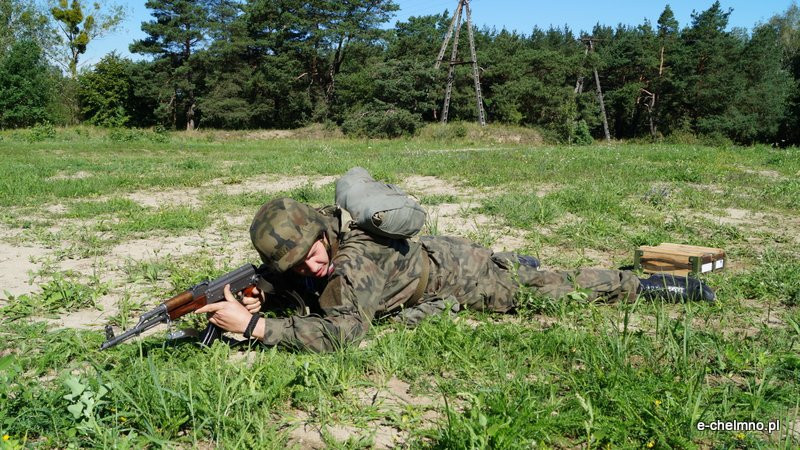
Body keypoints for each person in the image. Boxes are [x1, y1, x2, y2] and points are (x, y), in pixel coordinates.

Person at [196, 197, 715, 352]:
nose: (312, 266)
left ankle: (649, 283)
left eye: (312, 255)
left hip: (459, 274)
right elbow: (293, 282)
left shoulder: (352, 262)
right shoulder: (315, 245)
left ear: (321, 234)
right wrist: (263, 297)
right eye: (296, 265)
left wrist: (256, 327)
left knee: (550, 289)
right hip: (424, 265)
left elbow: (344, 331)